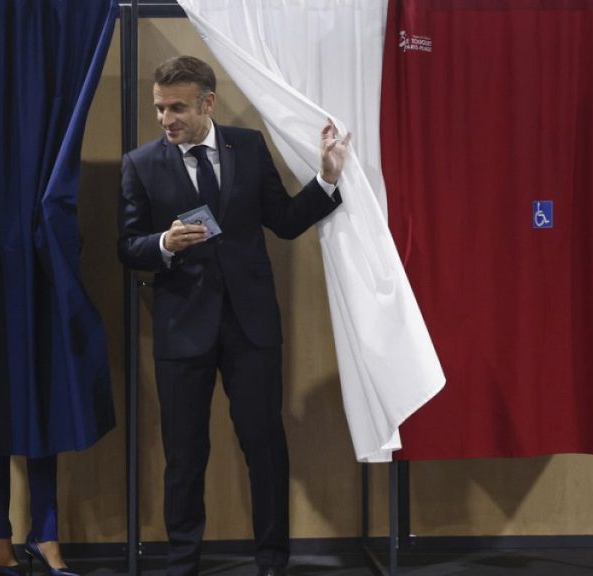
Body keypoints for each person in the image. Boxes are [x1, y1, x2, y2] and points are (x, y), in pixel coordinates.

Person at [118, 55, 350, 576]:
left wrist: (327, 180)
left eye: (177, 107)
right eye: (159, 108)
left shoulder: (247, 147)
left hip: (251, 328)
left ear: (208, 103)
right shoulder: (141, 164)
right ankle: (182, 564)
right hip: (181, 332)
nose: (165, 119)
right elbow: (127, 247)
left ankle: (272, 560)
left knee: (264, 447)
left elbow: (285, 222)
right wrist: (163, 243)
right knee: (184, 457)